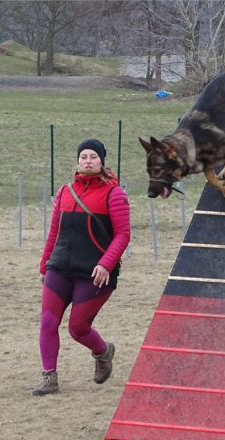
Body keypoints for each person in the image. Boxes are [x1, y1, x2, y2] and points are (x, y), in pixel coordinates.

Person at [34, 139, 131, 396]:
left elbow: (123, 235)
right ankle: (49, 377)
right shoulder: (65, 192)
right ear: (77, 161)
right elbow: (55, 231)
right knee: (47, 321)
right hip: (60, 268)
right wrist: (45, 265)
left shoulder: (114, 194)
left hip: (94, 273)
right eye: (83, 156)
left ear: (101, 162)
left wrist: (105, 264)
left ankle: (102, 352)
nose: (88, 161)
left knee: (77, 328)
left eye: (93, 157)